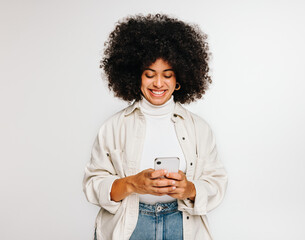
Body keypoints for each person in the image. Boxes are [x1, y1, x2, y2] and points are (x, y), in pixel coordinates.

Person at [83, 14, 227, 240]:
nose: (158, 83)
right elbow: (93, 185)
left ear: (179, 79)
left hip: (181, 223)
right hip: (130, 225)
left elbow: (217, 183)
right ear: (135, 77)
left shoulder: (199, 128)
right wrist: (132, 184)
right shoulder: (113, 127)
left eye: (167, 75)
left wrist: (189, 189)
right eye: (150, 75)